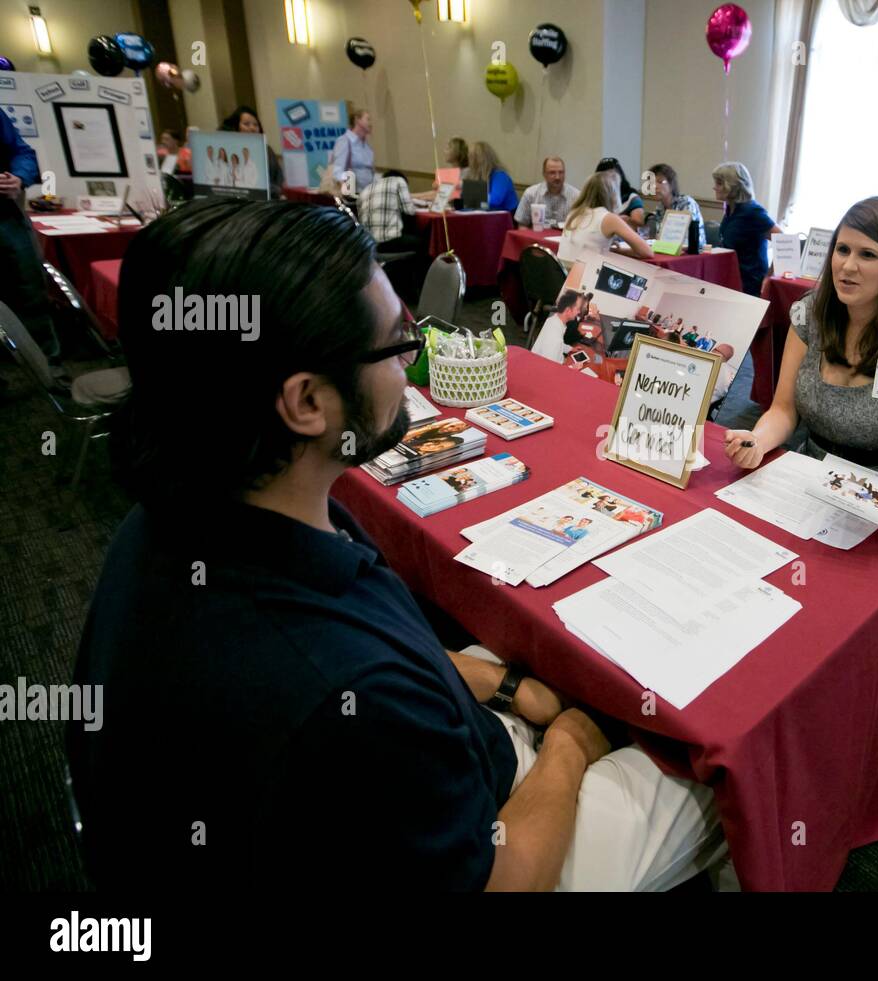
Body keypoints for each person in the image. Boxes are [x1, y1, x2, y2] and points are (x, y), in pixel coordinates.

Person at [70, 198, 725, 891]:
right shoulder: (344, 694)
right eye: (396, 342)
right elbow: (499, 877)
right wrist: (568, 745)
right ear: (306, 404)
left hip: (399, 783)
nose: (411, 359)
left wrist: (502, 684)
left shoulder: (171, 521)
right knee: (713, 767)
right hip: (485, 838)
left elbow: (378, 646)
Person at [723, 197, 878, 528]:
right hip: (811, 476)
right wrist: (758, 441)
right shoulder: (810, 316)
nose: (848, 266)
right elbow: (783, 410)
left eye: (868, 255)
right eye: (843, 249)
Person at [0, 107, 68, 391]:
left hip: (6, 218)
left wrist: (19, 177)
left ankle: (50, 368)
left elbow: (23, 151)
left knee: (30, 292)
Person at [713, 161, 782, 296]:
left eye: (719, 183)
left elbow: (783, 240)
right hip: (732, 280)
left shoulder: (752, 211)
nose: (714, 187)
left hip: (749, 284)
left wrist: (769, 276)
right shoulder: (730, 209)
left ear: (732, 186)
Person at [556, 171, 653, 264]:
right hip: (588, 277)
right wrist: (618, 251)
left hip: (564, 276)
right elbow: (647, 252)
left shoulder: (574, 214)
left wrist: (609, 249)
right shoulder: (608, 218)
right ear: (612, 195)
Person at [220, 105, 282, 197]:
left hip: (268, 199)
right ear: (235, 126)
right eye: (246, 124)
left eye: (255, 125)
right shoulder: (226, 150)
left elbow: (279, 179)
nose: (252, 128)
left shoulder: (267, 150)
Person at [358, 169, 420, 252]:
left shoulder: (366, 189)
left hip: (368, 244)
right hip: (389, 241)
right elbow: (410, 211)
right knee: (424, 243)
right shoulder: (399, 181)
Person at [514, 156, 579, 228]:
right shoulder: (531, 193)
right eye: (552, 173)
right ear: (544, 174)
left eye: (561, 172)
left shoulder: (576, 196)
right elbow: (522, 224)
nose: (557, 177)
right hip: (536, 238)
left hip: (564, 238)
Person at [647, 163, 703, 237]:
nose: (654, 186)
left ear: (671, 184)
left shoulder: (686, 203)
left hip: (693, 247)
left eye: (660, 182)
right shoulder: (660, 208)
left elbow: (685, 237)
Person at [330, 107, 375, 193]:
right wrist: (348, 186)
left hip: (367, 194)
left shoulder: (367, 146)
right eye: (368, 119)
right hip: (351, 195)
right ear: (357, 120)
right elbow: (337, 171)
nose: (371, 123)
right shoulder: (345, 141)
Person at [465, 141, 518, 213]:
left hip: (507, 218)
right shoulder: (474, 175)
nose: (468, 161)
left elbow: (495, 200)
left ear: (479, 160)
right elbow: (468, 202)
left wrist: (472, 200)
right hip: (487, 215)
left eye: (471, 157)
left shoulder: (500, 176)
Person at [594, 157, 646, 229]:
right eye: (605, 176)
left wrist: (624, 220)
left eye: (613, 175)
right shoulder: (594, 197)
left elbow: (638, 223)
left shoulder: (631, 197)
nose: (610, 180)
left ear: (620, 175)